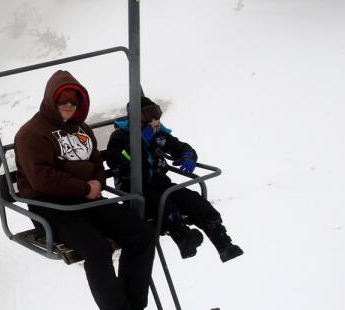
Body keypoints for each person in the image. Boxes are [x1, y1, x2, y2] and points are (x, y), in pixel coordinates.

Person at [13, 70, 159, 310]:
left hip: (88, 200)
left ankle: (134, 306)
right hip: (51, 208)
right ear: (51, 100)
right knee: (97, 249)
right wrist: (83, 183)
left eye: (75, 100)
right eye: (64, 99)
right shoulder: (31, 133)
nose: (70, 105)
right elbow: (42, 179)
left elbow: (97, 167)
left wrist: (93, 184)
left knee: (142, 235)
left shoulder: (83, 130)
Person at [105, 96, 244, 262]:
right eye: (149, 115)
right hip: (134, 190)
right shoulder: (120, 137)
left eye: (156, 114)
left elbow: (178, 146)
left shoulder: (158, 135)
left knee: (193, 200)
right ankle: (183, 237)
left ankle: (223, 243)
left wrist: (188, 155)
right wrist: (140, 142)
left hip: (160, 182)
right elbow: (116, 161)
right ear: (135, 116)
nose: (154, 120)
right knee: (164, 205)